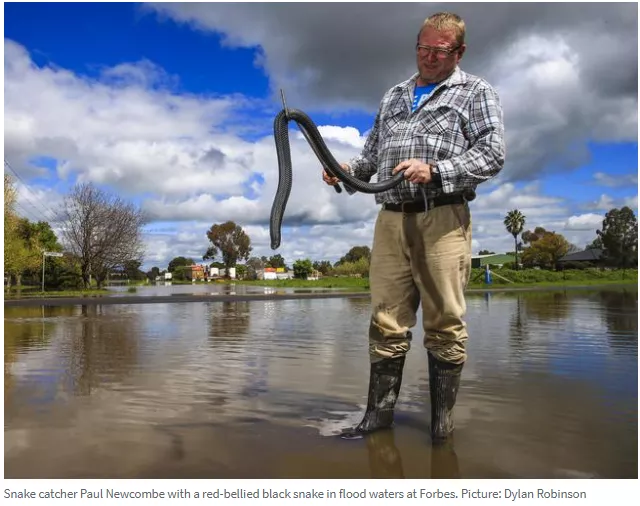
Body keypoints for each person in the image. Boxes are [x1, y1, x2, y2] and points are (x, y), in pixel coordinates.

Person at [323, 12, 505, 443]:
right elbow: (371, 158)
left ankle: (441, 425)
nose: (427, 57)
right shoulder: (394, 95)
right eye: (421, 47)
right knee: (386, 320)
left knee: (444, 323)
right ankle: (377, 419)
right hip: (390, 218)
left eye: (438, 51)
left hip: (442, 216)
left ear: (458, 52)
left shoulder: (475, 91)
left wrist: (437, 171)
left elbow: (493, 153)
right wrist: (345, 171)